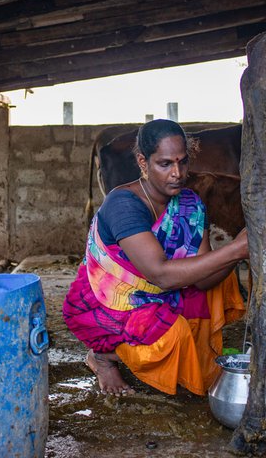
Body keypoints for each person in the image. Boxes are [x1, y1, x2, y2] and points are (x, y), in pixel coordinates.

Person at [63, 119, 247, 397]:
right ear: (142, 161)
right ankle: (104, 356)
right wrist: (236, 249)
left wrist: (241, 253)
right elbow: (160, 274)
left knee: (224, 278)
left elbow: (204, 281)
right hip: (114, 301)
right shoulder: (123, 204)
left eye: (183, 162)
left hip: (163, 293)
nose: (177, 173)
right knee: (171, 339)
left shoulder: (191, 205)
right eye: (165, 164)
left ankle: (189, 356)